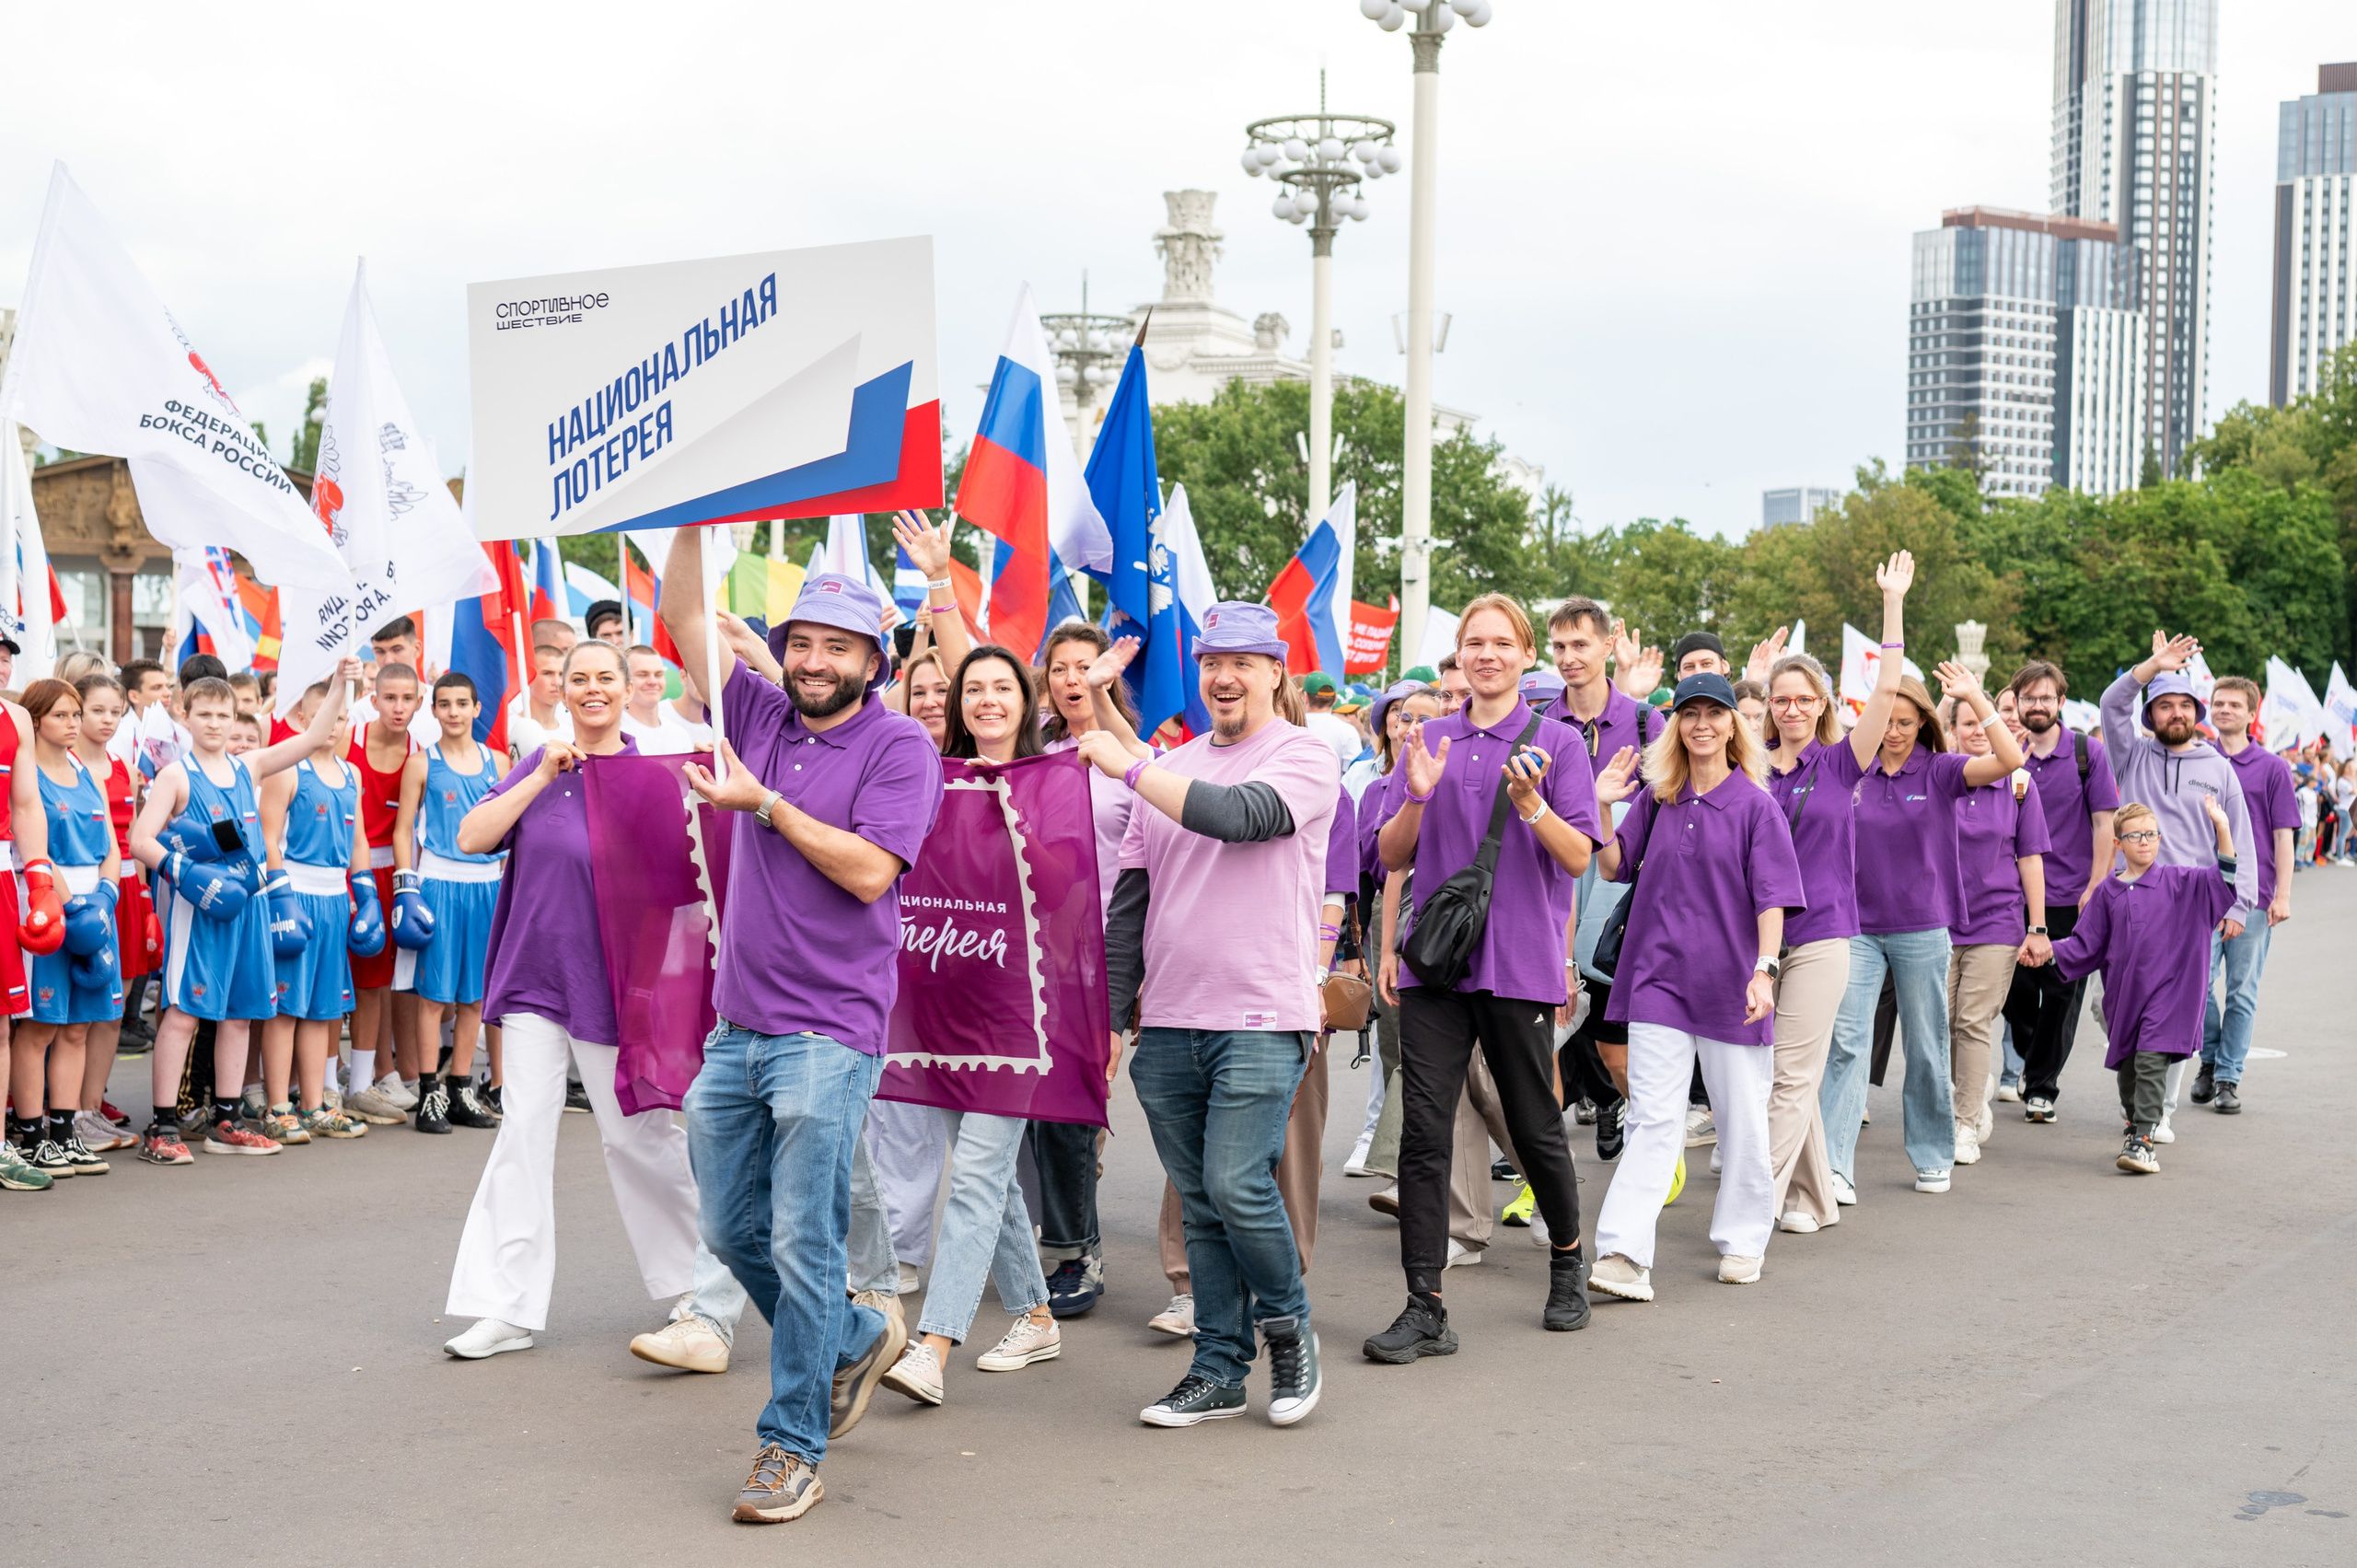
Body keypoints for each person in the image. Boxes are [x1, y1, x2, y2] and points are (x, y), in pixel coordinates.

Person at [660, 535, 943, 1526]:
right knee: (732, 1225)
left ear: (875, 660)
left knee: (801, 1233)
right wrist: (693, 520)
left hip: (828, 1031)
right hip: (737, 1026)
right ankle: (859, 1332)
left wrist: (767, 805)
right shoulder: (761, 709)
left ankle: (791, 1445)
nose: (816, 659)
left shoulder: (901, 747)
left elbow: (870, 870)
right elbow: (688, 619)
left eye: (839, 646)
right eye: (802, 642)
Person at [1080, 600, 1336, 1429]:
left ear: (1275, 671)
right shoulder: (1175, 761)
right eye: (1211, 661)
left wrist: (1126, 763)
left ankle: (1287, 1326)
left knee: (1235, 1181)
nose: (1223, 676)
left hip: (1263, 1014)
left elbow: (1239, 818)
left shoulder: (1304, 754)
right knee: (1199, 1199)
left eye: (1242, 662)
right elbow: (1131, 903)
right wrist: (1113, 1018)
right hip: (1170, 1024)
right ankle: (1219, 1367)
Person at [440, 639, 705, 1365]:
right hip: (534, 977)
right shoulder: (540, 763)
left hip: (615, 984)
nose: (591, 689)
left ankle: (696, 1288)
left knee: (638, 1134)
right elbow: (470, 835)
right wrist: (541, 772)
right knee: (523, 1128)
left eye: (604, 679)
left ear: (626, 690)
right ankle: (505, 1305)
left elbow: (685, 888)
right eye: (577, 678)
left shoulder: (655, 775)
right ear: (561, 689)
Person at [1365, 593, 1599, 1361]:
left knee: (1533, 1123)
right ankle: (1424, 1303)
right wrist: (1420, 794)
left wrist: (1530, 805)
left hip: (1520, 962)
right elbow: (1393, 854)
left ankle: (1568, 1257)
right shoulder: (1427, 736)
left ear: (1526, 654)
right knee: (1425, 1135)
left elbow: (1576, 858)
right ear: (1459, 655)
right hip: (1438, 965)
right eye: (1474, 642)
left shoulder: (1558, 743)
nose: (1487, 654)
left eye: (1502, 642)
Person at [877, 646, 1064, 1407]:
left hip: (1019, 1012)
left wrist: (1018, 823)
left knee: (980, 1175)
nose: (988, 699)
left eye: (1002, 687)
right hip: (940, 1004)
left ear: (1026, 700)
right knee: (987, 1174)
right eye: (973, 688)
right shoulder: (935, 776)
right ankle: (1037, 1313)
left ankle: (933, 1344)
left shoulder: (1052, 779)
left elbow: (1062, 888)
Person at [1584, 670, 1804, 1300]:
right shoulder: (1658, 798)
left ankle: (1741, 1239)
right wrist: (1602, 803)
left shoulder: (1757, 806)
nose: (1702, 723)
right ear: (1676, 724)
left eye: (1715, 712)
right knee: (1653, 1117)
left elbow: (1773, 899)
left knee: (1741, 1121)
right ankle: (1624, 1251)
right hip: (1656, 979)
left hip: (1733, 986)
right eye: (1689, 713)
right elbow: (1611, 863)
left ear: (1735, 723)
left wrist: (1765, 969)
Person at [128, 658, 362, 1164]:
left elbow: (312, 735)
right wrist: (184, 870)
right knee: (185, 1014)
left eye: (223, 715)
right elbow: (139, 839)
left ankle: (227, 1119)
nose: (214, 723)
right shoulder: (175, 775)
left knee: (238, 1017)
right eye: (205, 713)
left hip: (251, 906)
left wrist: (343, 683)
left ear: (236, 719)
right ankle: (162, 1127)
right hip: (201, 910)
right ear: (184, 714)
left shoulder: (248, 766)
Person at [1821, 641, 2024, 1201]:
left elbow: (2010, 762)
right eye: (1886, 720)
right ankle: (1835, 1165)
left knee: (1927, 1044)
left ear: (1923, 724)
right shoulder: (1849, 768)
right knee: (1847, 1042)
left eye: (1906, 723)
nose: (1894, 732)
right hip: (1856, 927)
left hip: (1921, 928)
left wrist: (1977, 699)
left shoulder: (1941, 770)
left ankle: (1933, 1153)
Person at [1758, 578, 1895, 1236]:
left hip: (1823, 935)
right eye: (1780, 699)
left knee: (1786, 1073)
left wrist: (1892, 602)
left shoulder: (1842, 764)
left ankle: (1754, 1205)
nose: (1791, 708)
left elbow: (1889, 690)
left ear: (1821, 705)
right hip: (1759, 941)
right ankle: (1814, 1198)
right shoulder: (1748, 768)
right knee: (1788, 1072)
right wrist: (1751, 680)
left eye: (1802, 698)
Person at [2095, 633, 2258, 1135]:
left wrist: (2238, 904)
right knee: (2112, 1005)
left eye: (2183, 705)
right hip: (2130, 904)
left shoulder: (2220, 769)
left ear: (2195, 712)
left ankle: (2157, 1112)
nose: (2175, 714)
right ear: (2152, 715)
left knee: (2179, 1008)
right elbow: (2111, 702)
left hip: (2192, 907)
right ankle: (2140, 1087)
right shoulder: (2131, 756)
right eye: (2164, 706)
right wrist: (2153, 665)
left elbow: (2241, 840)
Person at [2027, 799, 2239, 1174]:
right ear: (2118, 843)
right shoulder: (2106, 893)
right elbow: (2084, 945)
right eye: (2135, 835)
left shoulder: (2181, 881)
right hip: (2125, 998)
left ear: (2160, 839)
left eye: (2151, 834)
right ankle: (2134, 1123)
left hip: (2171, 994)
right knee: (2129, 1068)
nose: (2144, 841)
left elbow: (2222, 879)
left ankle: (2143, 1141)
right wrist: (2047, 953)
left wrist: (2222, 827)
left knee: (2151, 1059)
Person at [1031, 620, 1141, 1317]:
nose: (1072, 679)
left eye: (1085, 667)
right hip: (1030, 953)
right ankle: (1051, 1235)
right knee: (1040, 1111)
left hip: (1101, 953)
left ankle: (1079, 1253)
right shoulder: (1033, 753)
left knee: (1070, 1109)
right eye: (1060, 668)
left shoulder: (1134, 753)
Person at [1548, 598, 1661, 1156]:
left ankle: (1647, 1133)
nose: (1569, 658)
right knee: (1543, 1047)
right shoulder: (1541, 722)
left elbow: (1671, 810)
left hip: (1620, 904)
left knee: (1617, 1054)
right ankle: (1539, 1177)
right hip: (1552, 899)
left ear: (1607, 644)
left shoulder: (1646, 722)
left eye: (1580, 645)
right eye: (1560, 647)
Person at [6, 679, 122, 1178]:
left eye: (77, 714)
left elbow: (112, 846)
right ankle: (31, 1135)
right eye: (60, 715)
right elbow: (30, 844)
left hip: (94, 910)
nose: (73, 724)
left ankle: (63, 1129)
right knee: (41, 1026)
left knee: (78, 1028)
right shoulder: (27, 771)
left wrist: (103, 899)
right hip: (52, 907)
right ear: (33, 722)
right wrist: (70, 906)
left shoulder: (84, 769)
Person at [1998, 660, 2120, 1121]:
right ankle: (2036, 1058)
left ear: (2060, 702)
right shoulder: (2006, 754)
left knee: (2062, 991)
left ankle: (2042, 1087)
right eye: (2028, 698)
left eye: (2046, 697)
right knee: (2015, 989)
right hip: (2011, 895)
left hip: (2073, 895)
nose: (2037, 705)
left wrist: (2096, 885)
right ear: (2016, 703)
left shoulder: (2088, 753)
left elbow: (2104, 823)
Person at [255, 674, 370, 1143]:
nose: (335, 725)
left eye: (342, 717)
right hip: (295, 893)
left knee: (324, 1010)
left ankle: (314, 1102)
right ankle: (277, 1105)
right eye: (326, 717)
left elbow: (359, 839)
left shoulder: (352, 774)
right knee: (286, 1006)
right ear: (303, 720)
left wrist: (367, 898)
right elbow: (266, 837)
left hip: (334, 897)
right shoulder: (288, 770)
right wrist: (281, 894)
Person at [393, 672, 509, 1132]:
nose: (455, 712)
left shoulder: (497, 762)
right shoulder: (422, 763)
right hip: (439, 880)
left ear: (477, 708)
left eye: (463, 703)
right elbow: (404, 827)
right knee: (434, 995)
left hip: (486, 883)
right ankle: (429, 1093)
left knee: (476, 995)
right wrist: (407, 886)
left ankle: (461, 1086)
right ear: (434, 710)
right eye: (445, 704)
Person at [1943, 689, 2049, 1167]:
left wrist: (2038, 926)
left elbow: (2029, 859)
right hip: (1937, 922)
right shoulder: (1937, 777)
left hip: (1997, 921)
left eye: (1984, 724)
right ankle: (1973, 1088)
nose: (1976, 733)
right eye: (1965, 724)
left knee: (1972, 1020)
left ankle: (1964, 1122)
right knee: (1941, 1023)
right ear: (1951, 730)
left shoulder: (2019, 784)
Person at [2189, 676, 2294, 1120]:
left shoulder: (2272, 767)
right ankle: (2209, 1058)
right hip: (2203, 895)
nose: (2225, 709)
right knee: (2197, 986)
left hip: (2254, 898)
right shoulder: (2198, 759)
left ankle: (2228, 1076)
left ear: (2252, 714)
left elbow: (2282, 834)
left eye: (2235, 704)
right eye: (2218, 703)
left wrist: (2282, 893)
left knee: (2242, 992)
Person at [343, 661, 424, 1126]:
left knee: (379, 979)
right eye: (388, 698)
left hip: (394, 872)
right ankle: (327, 1080)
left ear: (418, 702)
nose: (397, 707)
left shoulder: (419, 753)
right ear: (372, 700)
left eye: (406, 698)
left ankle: (368, 1080)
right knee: (340, 978)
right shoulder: (347, 739)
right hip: (346, 870)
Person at [72, 671, 146, 1145]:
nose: (106, 720)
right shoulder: (65, 762)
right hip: (84, 895)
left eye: (115, 712)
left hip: (123, 896)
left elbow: (134, 839)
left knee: (112, 1011)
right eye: (96, 710)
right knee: (78, 1011)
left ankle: (92, 1106)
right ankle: (67, 1113)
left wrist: (143, 900)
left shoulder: (124, 765)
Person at [619, 645, 707, 755]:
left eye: (658, 674)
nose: (652, 681)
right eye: (642, 675)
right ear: (625, 681)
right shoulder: (616, 732)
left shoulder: (679, 734)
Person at [506, 645, 572, 760]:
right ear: (529, 677)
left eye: (561, 674)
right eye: (548, 673)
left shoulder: (573, 733)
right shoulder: (508, 729)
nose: (557, 682)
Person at [1301, 672, 1361, 769]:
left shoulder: (1290, 727)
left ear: (1305, 697)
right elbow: (1354, 773)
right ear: (1335, 699)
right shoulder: (1348, 731)